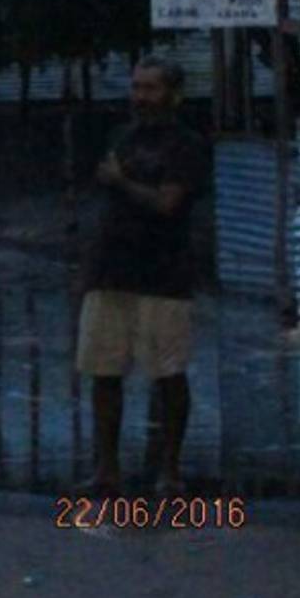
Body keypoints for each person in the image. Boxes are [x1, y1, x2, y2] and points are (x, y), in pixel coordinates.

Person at [77, 56, 209, 497]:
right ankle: (107, 469)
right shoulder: (122, 137)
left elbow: (168, 204)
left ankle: (169, 470)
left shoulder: (185, 145)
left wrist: (121, 180)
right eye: (136, 87)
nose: (141, 97)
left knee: (168, 374)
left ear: (173, 95)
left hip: (163, 274)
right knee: (104, 370)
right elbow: (105, 189)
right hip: (111, 271)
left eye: (151, 88)